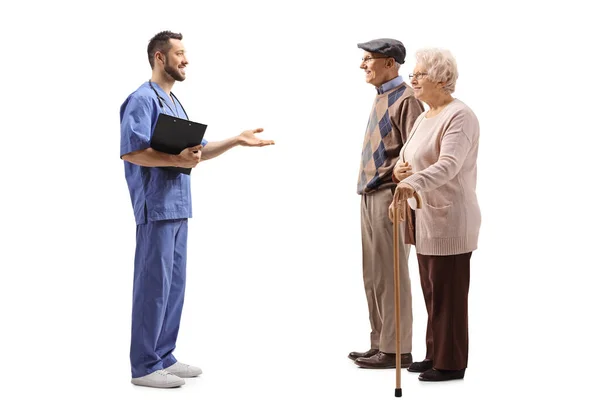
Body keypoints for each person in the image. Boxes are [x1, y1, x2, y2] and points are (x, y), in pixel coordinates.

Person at [119, 30, 274, 389]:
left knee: (174, 286)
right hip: (155, 207)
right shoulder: (142, 100)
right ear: (160, 57)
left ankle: (163, 355)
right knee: (153, 286)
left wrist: (236, 140)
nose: (186, 60)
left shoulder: (174, 102)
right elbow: (131, 151)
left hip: (178, 207)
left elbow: (198, 151)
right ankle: (143, 366)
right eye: (180, 53)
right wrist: (175, 158)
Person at [390, 48, 481, 381]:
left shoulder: (460, 115)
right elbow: (411, 158)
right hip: (423, 216)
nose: (412, 80)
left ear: (442, 79)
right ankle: (435, 353)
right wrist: (401, 171)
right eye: (412, 74)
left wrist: (412, 181)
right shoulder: (423, 116)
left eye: (419, 75)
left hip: (450, 217)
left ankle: (451, 362)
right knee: (432, 290)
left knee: (448, 294)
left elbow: (449, 165)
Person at [349, 38, 424, 369]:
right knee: (374, 273)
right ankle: (380, 342)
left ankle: (398, 349)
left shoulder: (407, 100)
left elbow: (417, 153)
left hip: (391, 196)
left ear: (390, 63)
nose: (363, 65)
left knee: (391, 273)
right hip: (370, 194)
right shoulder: (382, 98)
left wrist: (402, 190)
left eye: (369, 59)